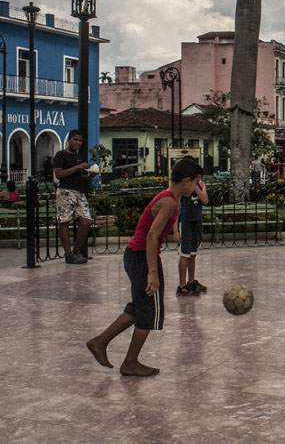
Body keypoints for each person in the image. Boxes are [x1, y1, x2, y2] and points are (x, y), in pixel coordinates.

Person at [86, 158, 203, 377]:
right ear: (187, 181)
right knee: (149, 311)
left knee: (139, 307)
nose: (196, 187)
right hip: (142, 256)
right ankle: (130, 362)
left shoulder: (170, 199)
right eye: (196, 182)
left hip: (136, 255)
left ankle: (99, 342)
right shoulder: (169, 202)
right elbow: (151, 236)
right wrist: (152, 272)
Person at [53, 130, 96, 264]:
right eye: (75, 140)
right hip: (65, 191)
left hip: (79, 192)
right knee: (64, 221)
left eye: (80, 140)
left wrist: (91, 175)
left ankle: (76, 250)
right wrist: (78, 167)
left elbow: (79, 177)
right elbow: (59, 174)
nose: (77, 143)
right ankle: (68, 253)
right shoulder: (61, 155)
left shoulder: (78, 157)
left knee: (86, 221)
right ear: (69, 140)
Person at [173, 175, 209, 296]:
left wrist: (198, 186)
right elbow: (175, 208)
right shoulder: (183, 187)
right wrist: (175, 230)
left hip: (196, 222)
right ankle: (182, 285)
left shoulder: (200, 185)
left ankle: (192, 281)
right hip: (186, 221)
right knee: (185, 254)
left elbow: (205, 200)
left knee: (193, 254)